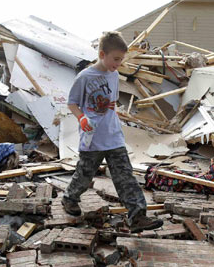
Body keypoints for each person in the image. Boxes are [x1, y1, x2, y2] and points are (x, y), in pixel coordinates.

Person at [61, 31, 163, 232]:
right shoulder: (85, 77)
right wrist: (82, 118)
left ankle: (138, 216)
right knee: (85, 174)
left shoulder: (114, 75)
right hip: (92, 137)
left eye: (121, 60)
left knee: (125, 176)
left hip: (113, 135)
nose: (118, 63)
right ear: (102, 54)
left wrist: (110, 114)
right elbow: (72, 103)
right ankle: (69, 198)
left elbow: (111, 102)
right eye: (115, 59)